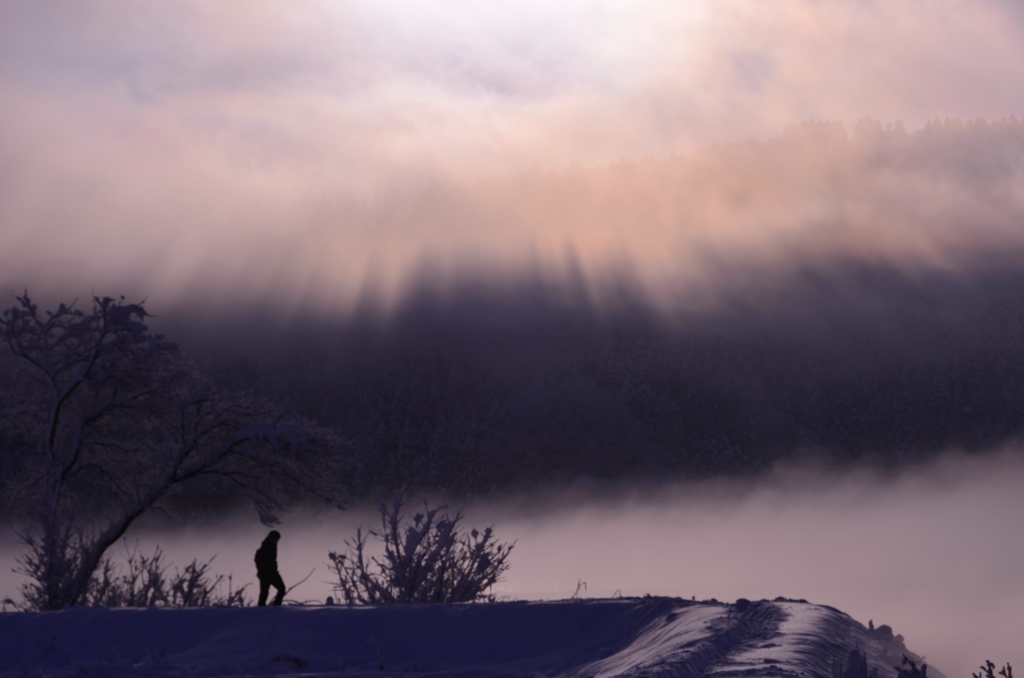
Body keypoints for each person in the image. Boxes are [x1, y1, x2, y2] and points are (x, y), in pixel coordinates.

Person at [254, 530, 286, 606]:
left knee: (265, 592)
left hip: (267, 573)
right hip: (269, 573)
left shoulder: (270, 545)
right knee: (281, 588)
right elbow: (260, 560)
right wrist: (262, 571)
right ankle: (275, 606)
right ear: (272, 538)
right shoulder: (267, 547)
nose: (277, 541)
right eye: (277, 539)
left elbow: (257, 559)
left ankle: (262, 608)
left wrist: (260, 571)